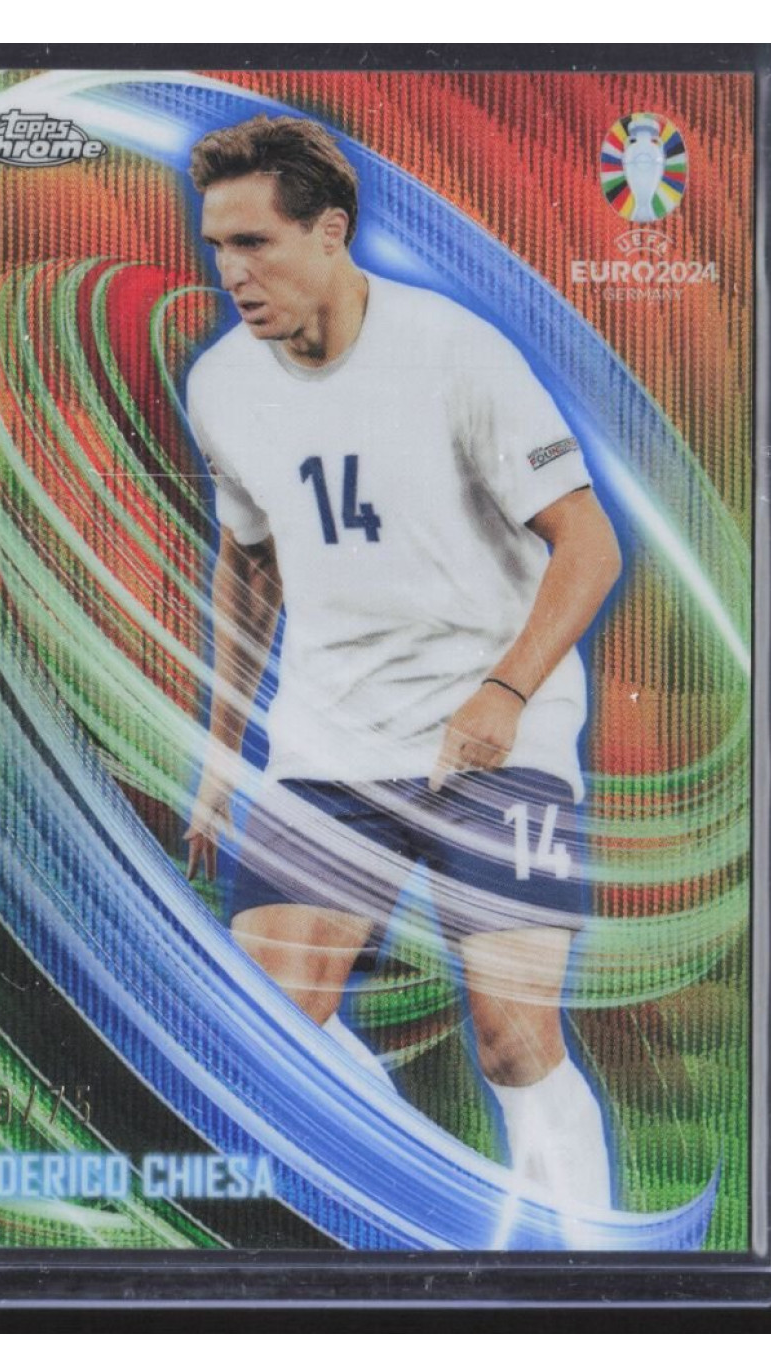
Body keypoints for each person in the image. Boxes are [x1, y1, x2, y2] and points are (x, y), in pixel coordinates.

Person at [183, 115, 622, 1232]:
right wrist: (224, 752)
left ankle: (590, 1272)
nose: (232, 272)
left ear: (330, 232)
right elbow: (250, 563)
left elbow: (589, 543)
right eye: (217, 246)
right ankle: (384, 1204)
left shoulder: (455, 354)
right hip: (330, 744)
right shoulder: (222, 383)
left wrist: (505, 693)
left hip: (498, 744)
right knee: (273, 1032)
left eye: (255, 242)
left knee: (512, 1039)